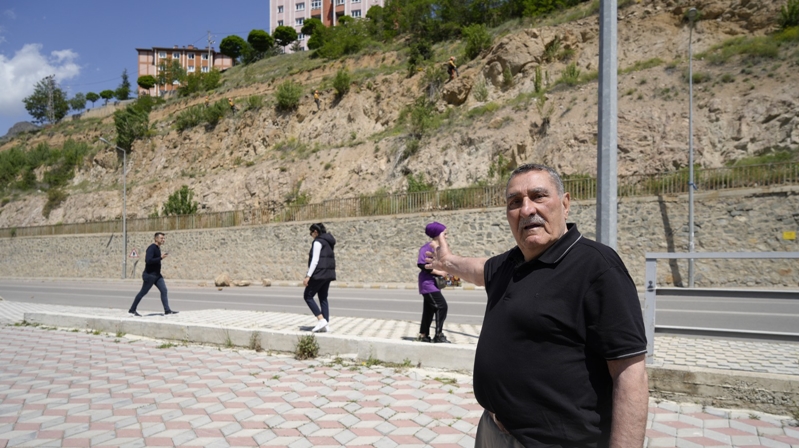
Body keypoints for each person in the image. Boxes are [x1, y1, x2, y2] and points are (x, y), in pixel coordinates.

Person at [426, 163, 648, 448]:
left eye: (538, 196)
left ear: (565, 204)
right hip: (493, 431)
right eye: (515, 202)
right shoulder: (511, 261)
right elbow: (478, 270)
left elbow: (631, 374)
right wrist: (448, 262)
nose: (527, 209)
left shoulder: (597, 267)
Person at [129, 232, 179, 317]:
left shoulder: (157, 248)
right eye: (161, 238)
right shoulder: (151, 248)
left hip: (157, 275)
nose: (163, 240)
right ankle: (132, 310)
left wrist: (160, 258)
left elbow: (155, 260)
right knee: (143, 292)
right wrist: (160, 258)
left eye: (164, 238)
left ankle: (167, 310)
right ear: (156, 239)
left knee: (164, 290)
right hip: (149, 275)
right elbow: (148, 261)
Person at [416, 222, 450, 343]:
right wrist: (438, 272)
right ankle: (438, 335)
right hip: (427, 284)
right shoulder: (427, 247)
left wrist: (451, 277)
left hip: (435, 284)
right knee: (442, 306)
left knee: (429, 309)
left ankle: (424, 335)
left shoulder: (441, 248)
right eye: (444, 234)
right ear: (437, 234)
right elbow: (421, 264)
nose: (446, 236)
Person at [303, 223, 336, 333]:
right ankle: (326, 325)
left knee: (307, 296)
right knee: (323, 298)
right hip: (328, 274)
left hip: (319, 274)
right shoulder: (328, 242)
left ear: (315, 232)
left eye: (311, 232)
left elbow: (315, 260)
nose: (311, 234)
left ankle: (321, 320)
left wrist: (308, 275)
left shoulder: (317, 242)